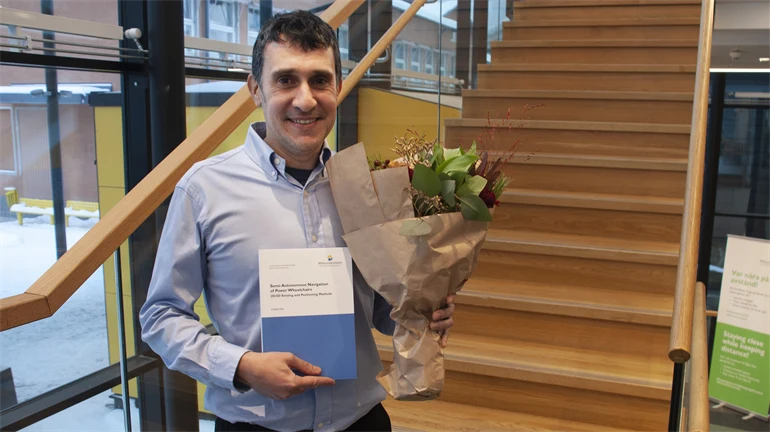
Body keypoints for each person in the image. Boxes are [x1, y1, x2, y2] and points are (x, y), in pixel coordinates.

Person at [139, 10, 456, 432]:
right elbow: (161, 316)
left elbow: (382, 309)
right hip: (255, 426)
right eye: (286, 80)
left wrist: (420, 308)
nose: (305, 100)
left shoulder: (368, 186)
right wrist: (241, 365)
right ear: (255, 89)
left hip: (360, 421)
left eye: (320, 80)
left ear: (338, 88)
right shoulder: (204, 190)